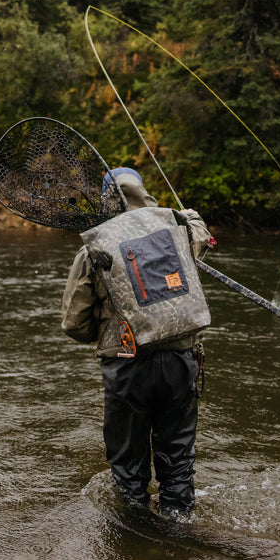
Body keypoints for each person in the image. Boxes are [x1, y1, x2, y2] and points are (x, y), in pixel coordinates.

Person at [60, 167, 213, 515]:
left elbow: (74, 323)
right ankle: (179, 522)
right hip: (180, 360)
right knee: (178, 456)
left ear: (105, 201)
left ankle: (135, 530)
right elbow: (201, 233)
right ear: (143, 193)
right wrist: (189, 215)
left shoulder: (93, 249)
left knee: (129, 466)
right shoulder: (178, 230)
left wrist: (105, 331)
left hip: (126, 363)